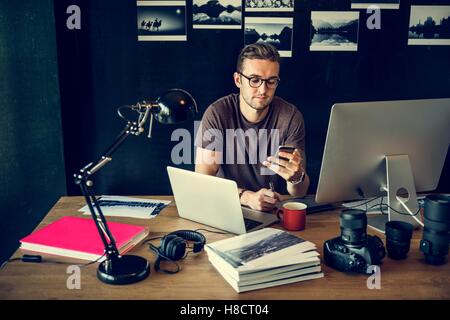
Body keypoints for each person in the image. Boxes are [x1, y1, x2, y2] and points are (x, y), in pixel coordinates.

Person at [195, 43, 309, 211]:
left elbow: (299, 192)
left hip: (273, 210)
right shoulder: (217, 113)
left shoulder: (290, 116)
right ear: (238, 80)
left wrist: (296, 177)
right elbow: (202, 182)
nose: (263, 89)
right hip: (226, 206)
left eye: (271, 81)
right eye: (255, 80)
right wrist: (246, 197)